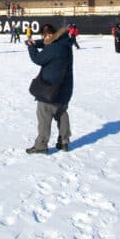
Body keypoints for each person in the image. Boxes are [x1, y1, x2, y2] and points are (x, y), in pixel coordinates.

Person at [25, 24, 75, 154]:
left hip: (50, 89)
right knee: (62, 114)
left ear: (47, 35)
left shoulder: (54, 47)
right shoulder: (64, 42)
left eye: (43, 36)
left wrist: (31, 47)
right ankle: (64, 141)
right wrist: (37, 43)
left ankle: (41, 146)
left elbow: (38, 59)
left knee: (44, 116)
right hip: (65, 89)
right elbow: (50, 42)